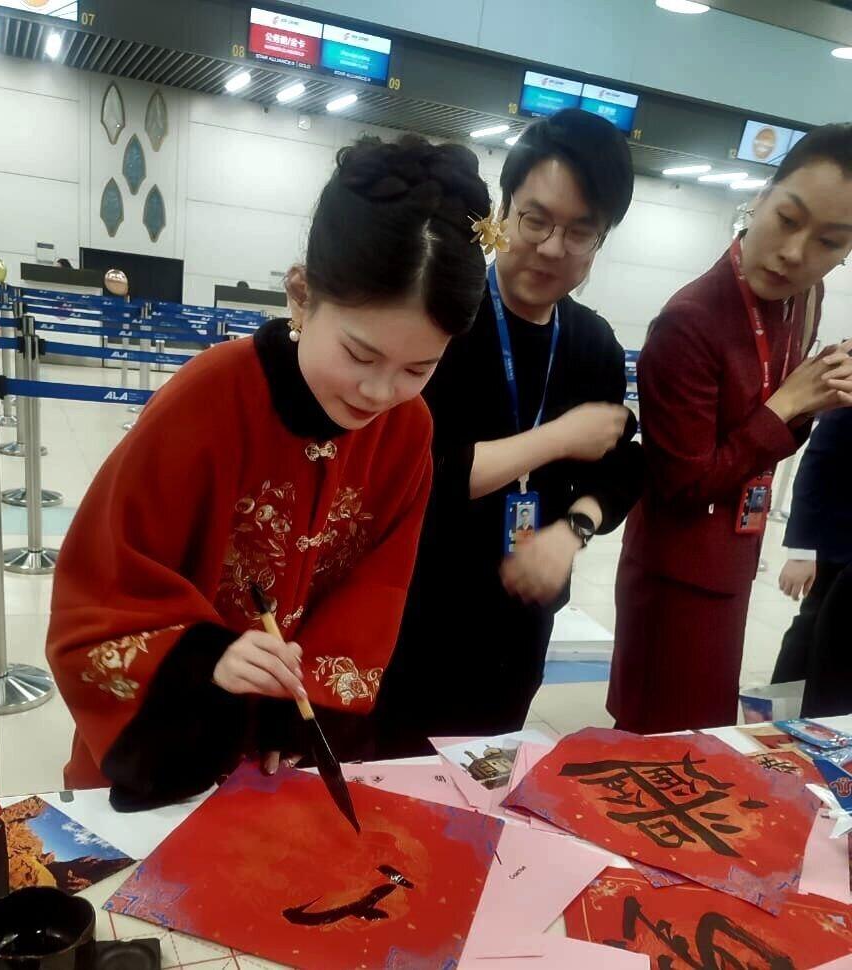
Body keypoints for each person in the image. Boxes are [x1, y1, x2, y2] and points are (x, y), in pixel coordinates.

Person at [46, 134, 492, 810]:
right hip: (171, 744)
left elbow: (376, 590)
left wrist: (298, 699)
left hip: (282, 753)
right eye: (360, 353)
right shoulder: (208, 398)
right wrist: (205, 661)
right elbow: (104, 586)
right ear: (302, 294)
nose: (378, 393)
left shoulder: (410, 432)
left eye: (417, 369)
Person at [373, 110, 643, 754]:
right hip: (415, 618)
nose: (552, 247)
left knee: (481, 794)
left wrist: (573, 529)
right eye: (536, 218)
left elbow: (622, 463)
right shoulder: (441, 320)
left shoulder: (592, 343)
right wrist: (555, 438)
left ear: (601, 241)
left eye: (581, 231)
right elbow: (419, 472)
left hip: (519, 628)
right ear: (503, 211)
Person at [609, 124, 852, 735]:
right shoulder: (690, 321)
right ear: (763, 195)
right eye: (789, 219)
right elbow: (683, 482)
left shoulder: (805, 297)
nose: (796, 253)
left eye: (830, 240)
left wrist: (818, 394)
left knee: (704, 732)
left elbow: (777, 424)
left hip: (735, 553)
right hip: (676, 569)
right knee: (662, 740)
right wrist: (790, 404)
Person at [771, 408, 852, 716]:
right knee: (813, 634)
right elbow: (817, 466)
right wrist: (803, 550)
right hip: (837, 549)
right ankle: (776, 719)